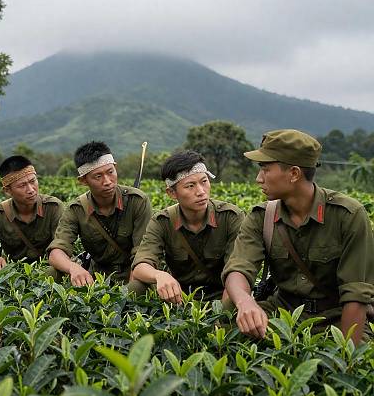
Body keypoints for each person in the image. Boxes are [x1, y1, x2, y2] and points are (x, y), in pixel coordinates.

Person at [222, 129, 374, 345]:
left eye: (265, 169)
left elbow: (356, 296)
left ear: (294, 173)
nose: (259, 179)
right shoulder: (261, 216)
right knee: (224, 337)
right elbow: (238, 268)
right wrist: (246, 302)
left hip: (335, 318)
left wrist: (346, 356)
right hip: (282, 312)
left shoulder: (347, 216)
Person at [130, 150, 244, 303]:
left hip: (221, 294)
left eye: (204, 181)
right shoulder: (162, 221)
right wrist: (160, 275)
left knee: (235, 294)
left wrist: (222, 317)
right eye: (190, 186)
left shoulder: (230, 217)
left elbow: (236, 273)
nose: (201, 191)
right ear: (171, 193)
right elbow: (140, 266)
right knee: (136, 287)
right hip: (178, 297)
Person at [48, 141, 152, 286]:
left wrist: (128, 294)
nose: (108, 181)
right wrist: (74, 268)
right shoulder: (76, 209)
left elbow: (142, 254)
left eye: (110, 172)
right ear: (83, 180)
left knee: (138, 287)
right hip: (97, 277)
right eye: (98, 177)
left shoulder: (137, 201)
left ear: (115, 167)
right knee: (51, 272)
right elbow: (56, 253)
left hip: (134, 273)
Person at [0, 155, 63, 272]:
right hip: (13, 274)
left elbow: (61, 247)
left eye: (33, 181)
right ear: (7, 191)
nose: (31, 189)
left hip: (49, 268)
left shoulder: (53, 207)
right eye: (22, 185)